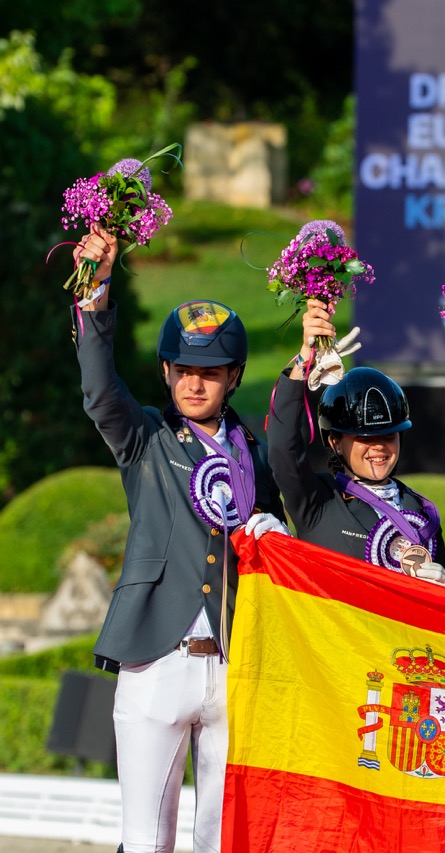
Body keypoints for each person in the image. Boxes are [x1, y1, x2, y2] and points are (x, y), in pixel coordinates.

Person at [71, 223, 287, 853]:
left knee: (221, 841)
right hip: (157, 655)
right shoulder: (144, 438)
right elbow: (98, 390)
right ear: (167, 371)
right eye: (185, 369)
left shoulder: (256, 454)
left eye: (211, 371)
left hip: (233, 662)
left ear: (234, 376)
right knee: (146, 842)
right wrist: (98, 287)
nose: (195, 383)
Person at [266, 300, 445, 584]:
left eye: (388, 436)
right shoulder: (318, 500)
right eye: (364, 439)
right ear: (335, 442)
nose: (378, 447)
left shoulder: (422, 511)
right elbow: (283, 447)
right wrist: (305, 360)